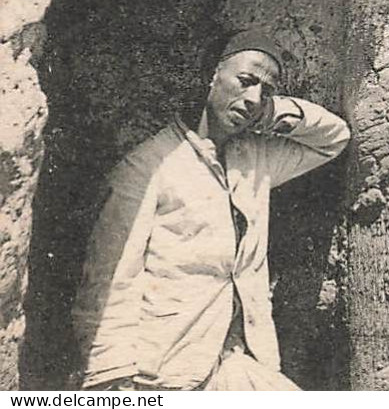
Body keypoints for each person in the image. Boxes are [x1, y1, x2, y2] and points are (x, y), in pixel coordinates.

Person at [73, 30, 351, 391]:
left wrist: (268, 111)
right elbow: (109, 281)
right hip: (162, 370)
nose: (254, 97)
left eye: (266, 90)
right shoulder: (148, 166)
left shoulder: (255, 160)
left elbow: (334, 138)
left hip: (234, 362)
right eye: (246, 81)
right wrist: (112, 380)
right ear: (211, 75)